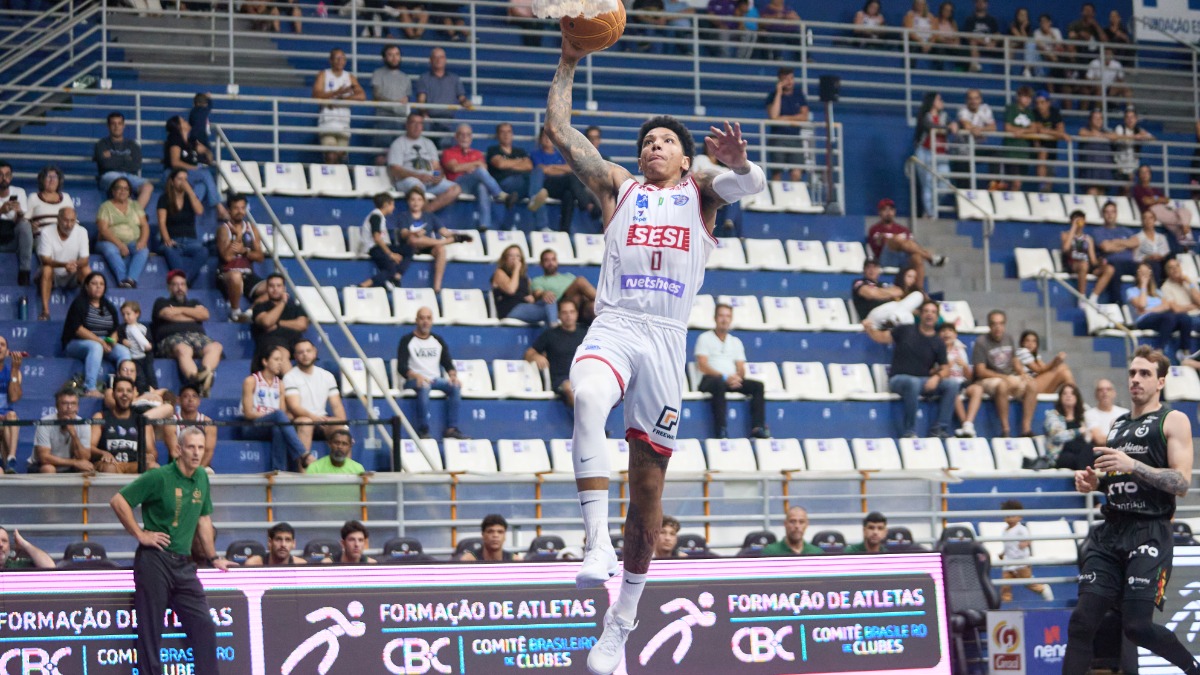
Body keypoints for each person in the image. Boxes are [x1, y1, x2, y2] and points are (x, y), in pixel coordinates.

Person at [546, 33, 766, 675]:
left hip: (667, 341)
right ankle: (594, 547)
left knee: (647, 492)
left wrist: (740, 163)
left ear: (688, 157)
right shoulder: (619, 188)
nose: (653, 146)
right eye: (647, 140)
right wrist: (568, 57)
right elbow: (560, 130)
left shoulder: (702, 195)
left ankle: (621, 625)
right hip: (615, 325)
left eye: (666, 140)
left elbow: (752, 185)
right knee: (586, 395)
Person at [1063, 346, 1200, 675]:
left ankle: (1193, 668)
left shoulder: (1173, 420)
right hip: (1111, 531)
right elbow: (1119, 480)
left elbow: (1180, 483)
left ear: (1161, 382)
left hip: (1150, 530)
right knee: (1081, 622)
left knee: (1136, 627)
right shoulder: (1119, 424)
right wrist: (1096, 483)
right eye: (1133, 373)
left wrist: (1132, 464)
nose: (1136, 379)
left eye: (1145, 374)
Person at [109, 426, 234, 675]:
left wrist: (213, 557)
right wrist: (140, 534)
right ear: (178, 449)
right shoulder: (160, 476)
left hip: (185, 565)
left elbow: (204, 520)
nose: (197, 453)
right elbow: (118, 501)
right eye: (191, 447)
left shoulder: (201, 478)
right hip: (154, 561)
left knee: (204, 626)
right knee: (150, 630)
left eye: (201, 447)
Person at [865, 300, 959, 438]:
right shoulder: (905, 330)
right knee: (913, 382)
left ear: (937, 317)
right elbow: (882, 338)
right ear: (920, 314)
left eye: (933, 312)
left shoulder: (938, 342)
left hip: (924, 381)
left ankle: (940, 428)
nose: (929, 315)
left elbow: (945, 369)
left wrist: (936, 377)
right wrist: (869, 329)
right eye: (926, 311)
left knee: (952, 384)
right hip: (899, 379)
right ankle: (909, 431)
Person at [694, 303, 770, 439]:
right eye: (721, 315)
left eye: (728, 316)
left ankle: (758, 427)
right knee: (718, 383)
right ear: (715, 318)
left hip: (730, 380)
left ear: (731, 319)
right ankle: (721, 430)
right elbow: (702, 365)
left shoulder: (736, 342)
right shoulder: (704, 338)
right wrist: (724, 377)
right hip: (710, 380)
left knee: (758, 386)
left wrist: (737, 377)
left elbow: (741, 367)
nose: (724, 319)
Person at [397, 307, 468, 440]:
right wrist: (417, 376)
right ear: (416, 320)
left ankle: (452, 429)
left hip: (435, 379)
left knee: (455, 386)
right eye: (422, 318)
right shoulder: (407, 340)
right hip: (414, 380)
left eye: (428, 318)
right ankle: (423, 429)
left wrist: (453, 376)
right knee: (424, 385)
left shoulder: (437, 340)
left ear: (432, 321)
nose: (425, 321)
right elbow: (401, 368)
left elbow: (447, 362)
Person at [241, 345, 313, 473]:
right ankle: (302, 454)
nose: (280, 363)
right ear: (265, 361)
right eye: (276, 359)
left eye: (281, 360)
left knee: (279, 427)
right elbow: (248, 413)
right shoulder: (251, 381)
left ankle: (279, 471)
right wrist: (272, 415)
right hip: (251, 426)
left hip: (272, 424)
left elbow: (283, 414)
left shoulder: (280, 384)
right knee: (278, 417)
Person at [152, 270, 224, 396]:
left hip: (197, 337)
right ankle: (198, 383)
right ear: (169, 287)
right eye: (175, 284)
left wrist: (178, 311)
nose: (180, 288)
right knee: (184, 349)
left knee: (216, 346)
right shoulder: (161, 302)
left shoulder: (195, 302)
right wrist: (193, 314)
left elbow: (204, 314)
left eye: (182, 284)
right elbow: (167, 314)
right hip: (173, 339)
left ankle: (204, 374)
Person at [972, 309, 1038, 437]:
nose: (998, 327)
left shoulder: (1008, 338)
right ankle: (1005, 429)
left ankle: (1026, 429)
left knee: (1032, 384)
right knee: (1002, 385)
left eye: (1001, 323)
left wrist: (1021, 372)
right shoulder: (981, 342)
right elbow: (980, 371)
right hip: (987, 379)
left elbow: (1014, 360)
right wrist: (1004, 377)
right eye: (994, 324)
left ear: (1004, 325)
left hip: (1009, 376)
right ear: (989, 326)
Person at [62, 272, 129, 397]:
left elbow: (115, 330)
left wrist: (112, 341)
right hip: (76, 343)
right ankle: (90, 388)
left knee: (124, 352)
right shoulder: (79, 304)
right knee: (95, 347)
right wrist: (101, 342)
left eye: (101, 284)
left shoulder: (109, 306)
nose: (98, 287)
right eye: (94, 283)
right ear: (87, 286)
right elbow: (78, 329)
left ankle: (124, 386)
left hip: (103, 342)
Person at [386, 112, 462, 213]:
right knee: (417, 186)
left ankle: (427, 213)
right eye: (414, 123)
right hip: (408, 181)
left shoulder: (428, 143)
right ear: (407, 125)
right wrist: (418, 176)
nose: (417, 127)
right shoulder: (398, 143)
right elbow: (395, 170)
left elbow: (436, 166)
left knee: (455, 188)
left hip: (429, 182)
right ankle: (425, 218)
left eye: (420, 123)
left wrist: (436, 177)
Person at [93, 377, 171, 474]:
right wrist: (103, 453)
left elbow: (152, 451)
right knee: (109, 468)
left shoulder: (142, 420)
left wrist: (150, 457)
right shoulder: (101, 417)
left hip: (134, 464)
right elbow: (89, 447)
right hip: (110, 464)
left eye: (128, 391)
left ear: (134, 394)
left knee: (153, 467)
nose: (124, 394)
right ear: (113, 394)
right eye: (120, 390)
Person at [529, 126, 598, 233]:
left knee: (569, 194)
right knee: (571, 178)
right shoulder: (535, 154)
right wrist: (560, 169)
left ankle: (564, 230)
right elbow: (543, 170)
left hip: (561, 185)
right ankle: (588, 206)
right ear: (540, 139)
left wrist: (552, 167)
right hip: (546, 185)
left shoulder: (561, 155)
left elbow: (570, 168)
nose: (547, 139)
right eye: (545, 136)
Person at [865, 198, 946, 290]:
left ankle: (919, 291)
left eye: (891, 209)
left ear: (894, 212)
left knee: (917, 257)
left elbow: (913, 245)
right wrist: (893, 239)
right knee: (895, 239)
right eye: (885, 210)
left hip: (903, 259)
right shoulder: (875, 229)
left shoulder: (903, 229)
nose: (888, 212)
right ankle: (929, 257)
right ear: (879, 212)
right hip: (885, 259)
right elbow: (878, 243)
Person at [395, 188, 464, 294]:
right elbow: (404, 233)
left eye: (419, 199)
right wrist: (414, 233)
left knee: (441, 250)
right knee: (414, 239)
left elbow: (445, 232)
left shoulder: (429, 216)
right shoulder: (403, 216)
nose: (416, 202)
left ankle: (437, 287)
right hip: (411, 246)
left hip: (427, 246)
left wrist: (458, 236)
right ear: (408, 201)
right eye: (413, 199)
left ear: (423, 202)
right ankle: (441, 242)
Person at [284, 338, 347, 453]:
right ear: (295, 356)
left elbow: (337, 406)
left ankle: (345, 470)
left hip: (322, 419)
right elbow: (294, 407)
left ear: (315, 352)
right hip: (300, 420)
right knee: (306, 422)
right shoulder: (290, 377)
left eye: (308, 351)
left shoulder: (327, 376)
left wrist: (342, 425)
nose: (305, 355)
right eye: (301, 352)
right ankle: (302, 469)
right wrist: (315, 419)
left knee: (340, 428)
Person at [441, 123, 504, 231]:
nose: (465, 137)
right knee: (479, 172)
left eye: (468, 135)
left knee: (482, 186)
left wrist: (467, 167)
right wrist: (475, 165)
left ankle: (484, 225)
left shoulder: (477, 153)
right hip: (457, 185)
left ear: (471, 137)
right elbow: (454, 168)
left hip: (473, 185)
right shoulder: (448, 152)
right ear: (456, 137)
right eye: (462, 134)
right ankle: (499, 194)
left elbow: (484, 169)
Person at [526, 298, 588, 407]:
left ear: (577, 314)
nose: (569, 315)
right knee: (570, 388)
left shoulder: (586, 333)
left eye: (572, 312)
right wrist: (536, 356)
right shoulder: (550, 334)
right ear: (559, 315)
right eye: (564, 312)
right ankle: (587, 421)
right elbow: (528, 354)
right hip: (561, 380)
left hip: (584, 377)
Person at [216, 194, 267, 322]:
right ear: (229, 210)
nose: (240, 211)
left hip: (247, 274)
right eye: (236, 208)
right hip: (227, 273)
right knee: (235, 276)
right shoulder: (224, 229)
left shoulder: (252, 229)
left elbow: (260, 257)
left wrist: (244, 251)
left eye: (242, 208)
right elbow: (227, 257)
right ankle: (235, 313)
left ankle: (249, 313)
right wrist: (238, 236)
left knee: (274, 288)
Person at [312, 48, 365, 165]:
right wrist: (337, 92)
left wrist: (342, 99)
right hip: (327, 123)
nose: (340, 61)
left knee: (340, 157)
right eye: (337, 58)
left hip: (344, 124)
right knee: (331, 155)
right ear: (331, 60)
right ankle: (328, 182)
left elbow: (361, 96)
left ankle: (337, 182)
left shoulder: (349, 77)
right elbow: (316, 94)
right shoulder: (324, 74)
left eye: (342, 58)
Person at [96, 177, 151, 290]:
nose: (123, 191)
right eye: (119, 188)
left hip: (132, 242)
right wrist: (120, 245)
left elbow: (145, 225)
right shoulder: (106, 206)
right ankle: (122, 280)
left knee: (143, 250)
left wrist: (142, 241)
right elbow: (103, 230)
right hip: (109, 241)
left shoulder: (135, 205)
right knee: (111, 250)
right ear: (113, 191)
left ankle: (130, 280)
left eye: (126, 189)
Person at [155, 168, 208, 285]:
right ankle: (183, 281)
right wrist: (167, 239)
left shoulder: (190, 198)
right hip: (173, 240)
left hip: (190, 241)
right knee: (169, 250)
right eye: (180, 179)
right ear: (172, 181)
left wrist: (190, 192)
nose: (183, 182)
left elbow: (199, 211)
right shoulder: (164, 198)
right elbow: (162, 222)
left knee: (203, 251)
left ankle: (184, 280)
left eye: (186, 179)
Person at [1126, 262, 1190, 357]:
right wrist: (1143, 285)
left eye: (1147, 272)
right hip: (1144, 320)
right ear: (1137, 274)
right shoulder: (1132, 291)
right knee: (1169, 317)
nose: (1144, 274)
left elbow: (1166, 306)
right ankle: (1159, 350)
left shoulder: (1157, 292)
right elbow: (1142, 304)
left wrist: (1149, 310)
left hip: (1162, 318)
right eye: (1141, 272)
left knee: (1185, 318)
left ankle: (1184, 351)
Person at [38, 207, 91, 321]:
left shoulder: (82, 231)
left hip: (72, 273)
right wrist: (64, 265)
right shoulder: (47, 231)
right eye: (66, 220)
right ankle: (45, 312)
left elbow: (85, 259)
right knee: (46, 269)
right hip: (54, 274)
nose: (69, 224)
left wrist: (74, 265)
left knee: (86, 270)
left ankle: (91, 310)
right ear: (58, 219)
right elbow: (45, 259)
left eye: (72, 220)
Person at [94, 111, 154, 209]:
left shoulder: (133, 145)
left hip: (130, 176)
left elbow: (136, 165)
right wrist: (126, 159)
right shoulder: (101, 144)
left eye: (119, 123)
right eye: (113, 124)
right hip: (108, 176)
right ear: (108, 126)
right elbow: (105, 164)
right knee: (121, 185)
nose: (116, 126)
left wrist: (113, 158)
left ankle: (134, 215)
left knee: (148, 186)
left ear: (123, 125)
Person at [161, 115, 220, 215]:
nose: (186, 121)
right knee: (205, 174)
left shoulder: (192, 142)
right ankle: (218, 207)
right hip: (173, 174)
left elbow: (209, 161)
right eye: (183, 121)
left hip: (189, 175)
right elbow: (175, 163)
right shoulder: (174, 138)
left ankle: (187, 209)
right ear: (178, 126)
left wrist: (206, 150)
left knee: (202, 186)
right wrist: (196, 168)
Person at [25, 166, 74, 284]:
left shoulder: (66, 197)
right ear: (42, 180)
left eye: (55, 177)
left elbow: (73, 220)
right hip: (42, 236)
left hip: (63, 235)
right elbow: (25, 219)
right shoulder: (33, 197)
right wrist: (30, 225)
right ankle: (52, 276)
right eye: (48, 177)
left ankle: (56, 276)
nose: (52, 180)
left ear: (59, 181)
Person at [998, 500, 1055, 601]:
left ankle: (1042, 589)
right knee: (1005, 585)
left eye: (1012, 516)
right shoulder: (1004, 531)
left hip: (1021, 563)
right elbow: (1008, 545)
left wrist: (1026, 543)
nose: (1009, 519)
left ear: (1020, 517)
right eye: (1006, 516)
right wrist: (1003, 553)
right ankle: (1006, 601)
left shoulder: (1021, 529)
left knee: (1028, 583)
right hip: (1008, 563)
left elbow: (1028, 539)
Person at [912, 91, 958, 217]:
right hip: (926, 152)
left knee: (944, 184)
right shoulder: (925, 116)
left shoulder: (944, 116)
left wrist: (954, 125)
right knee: (928, 184)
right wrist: (948, 128)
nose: (941, 102)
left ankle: (930, 209)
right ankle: (931, 213)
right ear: (932, 102)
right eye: (939, 99)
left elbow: (952, 126)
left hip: (941, 153)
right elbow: (930, 127)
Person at [28, 389, 92, 474]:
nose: (69, 407)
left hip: (70, 466)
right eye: (65, 403)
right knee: (49, 469)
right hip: (42, 465)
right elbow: (44, 457)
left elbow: (85, 457)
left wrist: (73, 434)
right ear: (57, 407)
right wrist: (74, 462)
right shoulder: (45, 423)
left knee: (87, 468)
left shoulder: (84, 424)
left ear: (78, 407)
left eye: (73, 404)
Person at [415, 47, 472, 140]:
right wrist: (425, 115)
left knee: (446, 150)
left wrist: (466, 102)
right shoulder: (424, 78)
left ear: (445, 60)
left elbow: (461, 98)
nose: (438, 60)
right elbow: (421, 100)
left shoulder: (454, 78)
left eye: (441, 57)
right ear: (430, 60)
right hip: (429, 120)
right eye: (435, 57)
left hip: (448, 121)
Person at [763, 67, 809, 182]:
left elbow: (804, 117)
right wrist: (778, 93)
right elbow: (773, 116)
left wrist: (784, 118)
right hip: (777, 138)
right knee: (777, 173)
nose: (789, 81)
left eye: (791, 78)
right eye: (785, 79)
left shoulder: (799, 95)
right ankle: (777, 199)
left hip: (795, 138)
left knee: (797, 173)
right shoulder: (772, 96)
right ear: (780, 80)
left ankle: (795, 199)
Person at [251, 273, 310, 362]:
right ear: (267, 289)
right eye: (271, 286)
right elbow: (267, 322)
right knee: (281, 353)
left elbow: (302, 325)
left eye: (278, 286)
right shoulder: (260, 307)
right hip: (271, 344)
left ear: (284, 288)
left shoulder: (295, 307)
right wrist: (282, 302)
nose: (275, 289)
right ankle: (290, 376)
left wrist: (278, 323)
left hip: (294, 342)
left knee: (308, 350)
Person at [493, 244, 557, 325]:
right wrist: (516, 269)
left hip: (526, 307)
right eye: (511, 256)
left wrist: (532, 298)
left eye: (517, 256)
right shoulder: (499, 272)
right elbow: (511, 290)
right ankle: (556, 329)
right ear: (505, 259)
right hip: (511, 309)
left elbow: (531, 295)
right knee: (549, 312)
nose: (514, 259)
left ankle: (554, 328)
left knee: (550, 299)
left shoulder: (525, 277)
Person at [487, 122, 536, 226]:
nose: (506, 135)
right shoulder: (493, 150)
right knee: (531, 181)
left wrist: (508, 163)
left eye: (509, 132)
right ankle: (534, 199)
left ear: (512, 134)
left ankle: (517, 197)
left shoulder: (520, 151)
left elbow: (529, 166)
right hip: (503, 183)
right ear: (497, 135)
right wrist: (519, 161)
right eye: (502, 132)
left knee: (534, 175)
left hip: (521, 181)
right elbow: (500, 164)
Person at [1060, 209, 1113, 306]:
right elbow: (1066, 248)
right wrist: (1073, 228)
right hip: (1072, 263)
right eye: (1076, 220)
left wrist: (1100, 262)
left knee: (1109, 269)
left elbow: (1093, 261)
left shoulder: (1088, 239)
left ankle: (1094, 297)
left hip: (1087, 265)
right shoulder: (1065, 234)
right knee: (1083, 265)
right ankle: (1082, 298)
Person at [1132, 164, 1194, 246]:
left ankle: (1186, 231)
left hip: (1165, 210)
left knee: (1184, 211)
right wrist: (1157, 199)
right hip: (1153, 211)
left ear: (1150, 174)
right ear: (1139, 175)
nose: (1145, 175)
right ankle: (1187, 235)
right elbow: (1146, 201)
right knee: (1177, 223)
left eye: (1147, 172)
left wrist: (1154, 199)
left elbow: (1166, 200)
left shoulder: (1154, 189)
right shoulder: (1138, 188)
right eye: (1142, 172)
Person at [531, 249, 596, 323]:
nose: (551, 262)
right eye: (547, 260)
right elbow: (537, 293)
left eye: (553, 259)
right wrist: (543, 294)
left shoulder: (568, 276)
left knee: (593, 306)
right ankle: (606, 304)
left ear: (557, 261)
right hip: (561, 305)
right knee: (580, 280)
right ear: (541, 263)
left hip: (579, 306)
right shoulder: (538, 280)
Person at [356, 192, 405, 290]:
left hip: (379, 247)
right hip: (374, 248)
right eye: (392, 204)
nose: (394, 208)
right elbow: (377, 238)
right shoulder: (376, 216)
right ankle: (364, 285)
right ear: (386, 205)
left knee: (408, 249)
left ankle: (395, 277)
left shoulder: (380, 216)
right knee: (390, 270)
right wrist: (390, 254)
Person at [940, 323, 982, 438]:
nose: (946, 333)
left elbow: (969, 377)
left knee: (977, 389)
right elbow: (939, 375)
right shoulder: (938, 350)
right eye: (943, 331)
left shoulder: (960, 350)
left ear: (955, 334)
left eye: (950, 331)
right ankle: (965, 426)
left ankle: (968, 424)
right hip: (947, 385)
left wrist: (964, 366)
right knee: (954, 392)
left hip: (962, 383)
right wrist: (948, 366)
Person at [162, 384, 216, 468]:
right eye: (186, 396)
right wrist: (186, 472)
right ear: (179, 400)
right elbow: (174, 452)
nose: (190, 400)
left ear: (199, 401)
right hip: (177, 466)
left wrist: (198, 471)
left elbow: (208, 452)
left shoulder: (208, 423)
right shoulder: (171, 422)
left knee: (209, 473)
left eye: (194, 396)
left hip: (202, 466)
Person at [1158, 257, 1200, 361]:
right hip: (1187, 319)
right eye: (1171, 268)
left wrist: (1189, 282)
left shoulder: (1189, 282)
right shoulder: (1165, 287)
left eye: (1177, 266)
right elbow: (1176, 309)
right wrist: (1194, 306)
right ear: (1167, 272)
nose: (1175, 269)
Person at [1044, 383, 1094, 471]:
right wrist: (1078, 431)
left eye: (1072, 393)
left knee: (1088, 450)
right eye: (1065, 393)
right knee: (1073, 458)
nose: (1068, 396)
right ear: (1060, 397)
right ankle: (1084, 479)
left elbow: (1091, 433)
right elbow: (1058, 436)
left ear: (1077, 397)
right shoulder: (1052, 415)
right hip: (1061, 453)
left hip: (1081, 451)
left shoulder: (1085, 414)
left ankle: (1084, 478)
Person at [1017, 329, 1076, 399]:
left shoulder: (1035, 355)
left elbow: (1044, 368)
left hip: (1038, 385)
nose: (1031, 344)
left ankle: (1073, 399)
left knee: (1065, 372)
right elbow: (1038, 370)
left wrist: (1056, 362)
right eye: (1027, 341)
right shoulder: (1022, 351)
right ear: (1022, 343)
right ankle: (1075, 399)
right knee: (1063, 367)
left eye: (1034, 341)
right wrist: (1055, 361)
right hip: (1028, 388)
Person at [999, 86, 1038, 192]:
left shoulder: (1030, 112)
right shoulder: (1011, 108)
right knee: (1015, 183)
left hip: (1024, 153)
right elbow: (1007, 127)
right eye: (1025, 97)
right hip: (1011, 152)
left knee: (1017, 184)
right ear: (1018, 97)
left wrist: (1022, 131)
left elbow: (1034, 128)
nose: (1028, 100)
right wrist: (1025, 129)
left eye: (1030, 97)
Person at [1031, 91, 1069, 193]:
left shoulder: (1055, 112)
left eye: (1042, 102)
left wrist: (1055, 133)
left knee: (1050, 172)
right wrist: (1057, 134)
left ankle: (1046, 192)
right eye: (1037, 103)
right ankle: (1041, 186)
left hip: (1052, 147)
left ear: (1048, 103)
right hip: (1038, 146)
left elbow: (1061, 130)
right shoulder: (1034, 113)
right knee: (1042, 154)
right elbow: (1040, 129)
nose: (1039, 105)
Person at [955, 89, 996, 183]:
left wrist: (980, 130)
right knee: (965, 185)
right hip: (962, 152)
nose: (973, 101)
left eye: (976, 98)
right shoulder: (962, 109)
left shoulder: (985, 108)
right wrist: (978, 131)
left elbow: (993, 127)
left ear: (980, 100)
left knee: (995, 153)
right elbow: (967, 125)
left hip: (975, 148)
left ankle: (994, 183)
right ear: (966, 100)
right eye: (971, 99)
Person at [0, 162, 31, 284]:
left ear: (11, 177)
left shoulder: (19, 192)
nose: (4, 178)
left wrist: (18, 213)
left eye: (7, 175)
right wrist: (1, 210)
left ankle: (25, 272)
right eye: (0, 175)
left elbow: (21, 221)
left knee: (25, 225)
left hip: (11, 236)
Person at [371, 44, 412, 131]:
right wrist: (395, 104)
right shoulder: (378, 73)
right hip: (383, 120)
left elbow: (406, 99)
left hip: (402, 121)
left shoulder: (406, 77)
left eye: (397, 54)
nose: (394, 58)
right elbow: (376, 96)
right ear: (384, 58)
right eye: (390, 55)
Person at [1112, 107, 1153, 188]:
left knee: (1131, 189)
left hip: (1133, 167)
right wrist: (1135, 137)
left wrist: (1143, 135)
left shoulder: (1139, 130)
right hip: (1120, 165)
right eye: (1128, 117)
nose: (1130, 120)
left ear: (1136, 119)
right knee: (1124, 189)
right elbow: (1116, 137)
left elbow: (1152, 138)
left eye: (1132, 117)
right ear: (1124, 119)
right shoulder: (1120, 128)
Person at [1078, 109, 1116, 195]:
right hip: (1090, 172)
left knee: (1102, 195)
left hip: (1104, 171)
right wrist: (1099, 135)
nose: (1098, 120)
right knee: (1092, 192)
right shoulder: (1085, 130)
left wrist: (1101, 135)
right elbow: (1081, 133)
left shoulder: (1107, 132)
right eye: (1095, 118)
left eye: (1100, 118)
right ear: (1090, 120)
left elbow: (1115, 136)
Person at [1084, 378, 1128, 445]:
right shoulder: (1089, 414)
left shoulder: (1125, 413)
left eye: (1108, 389)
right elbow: (1099, 440)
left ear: (1114, 393)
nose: (1105, 392)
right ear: (1096, 394)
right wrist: (1122, 437)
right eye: (1100, 390)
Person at [962, 0, 999, 73]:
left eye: (983, 2)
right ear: (975, 4)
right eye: (978, 2)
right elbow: (968, 35)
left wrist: (994, 42)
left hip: (989, 45)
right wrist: (984, 42)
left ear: (986, 4)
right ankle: (974, 66)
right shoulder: (970, 19)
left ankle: (1009, 70)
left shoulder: (992, 20)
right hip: (976, 44)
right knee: (973, 42)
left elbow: (996, 33)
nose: (980, 4)